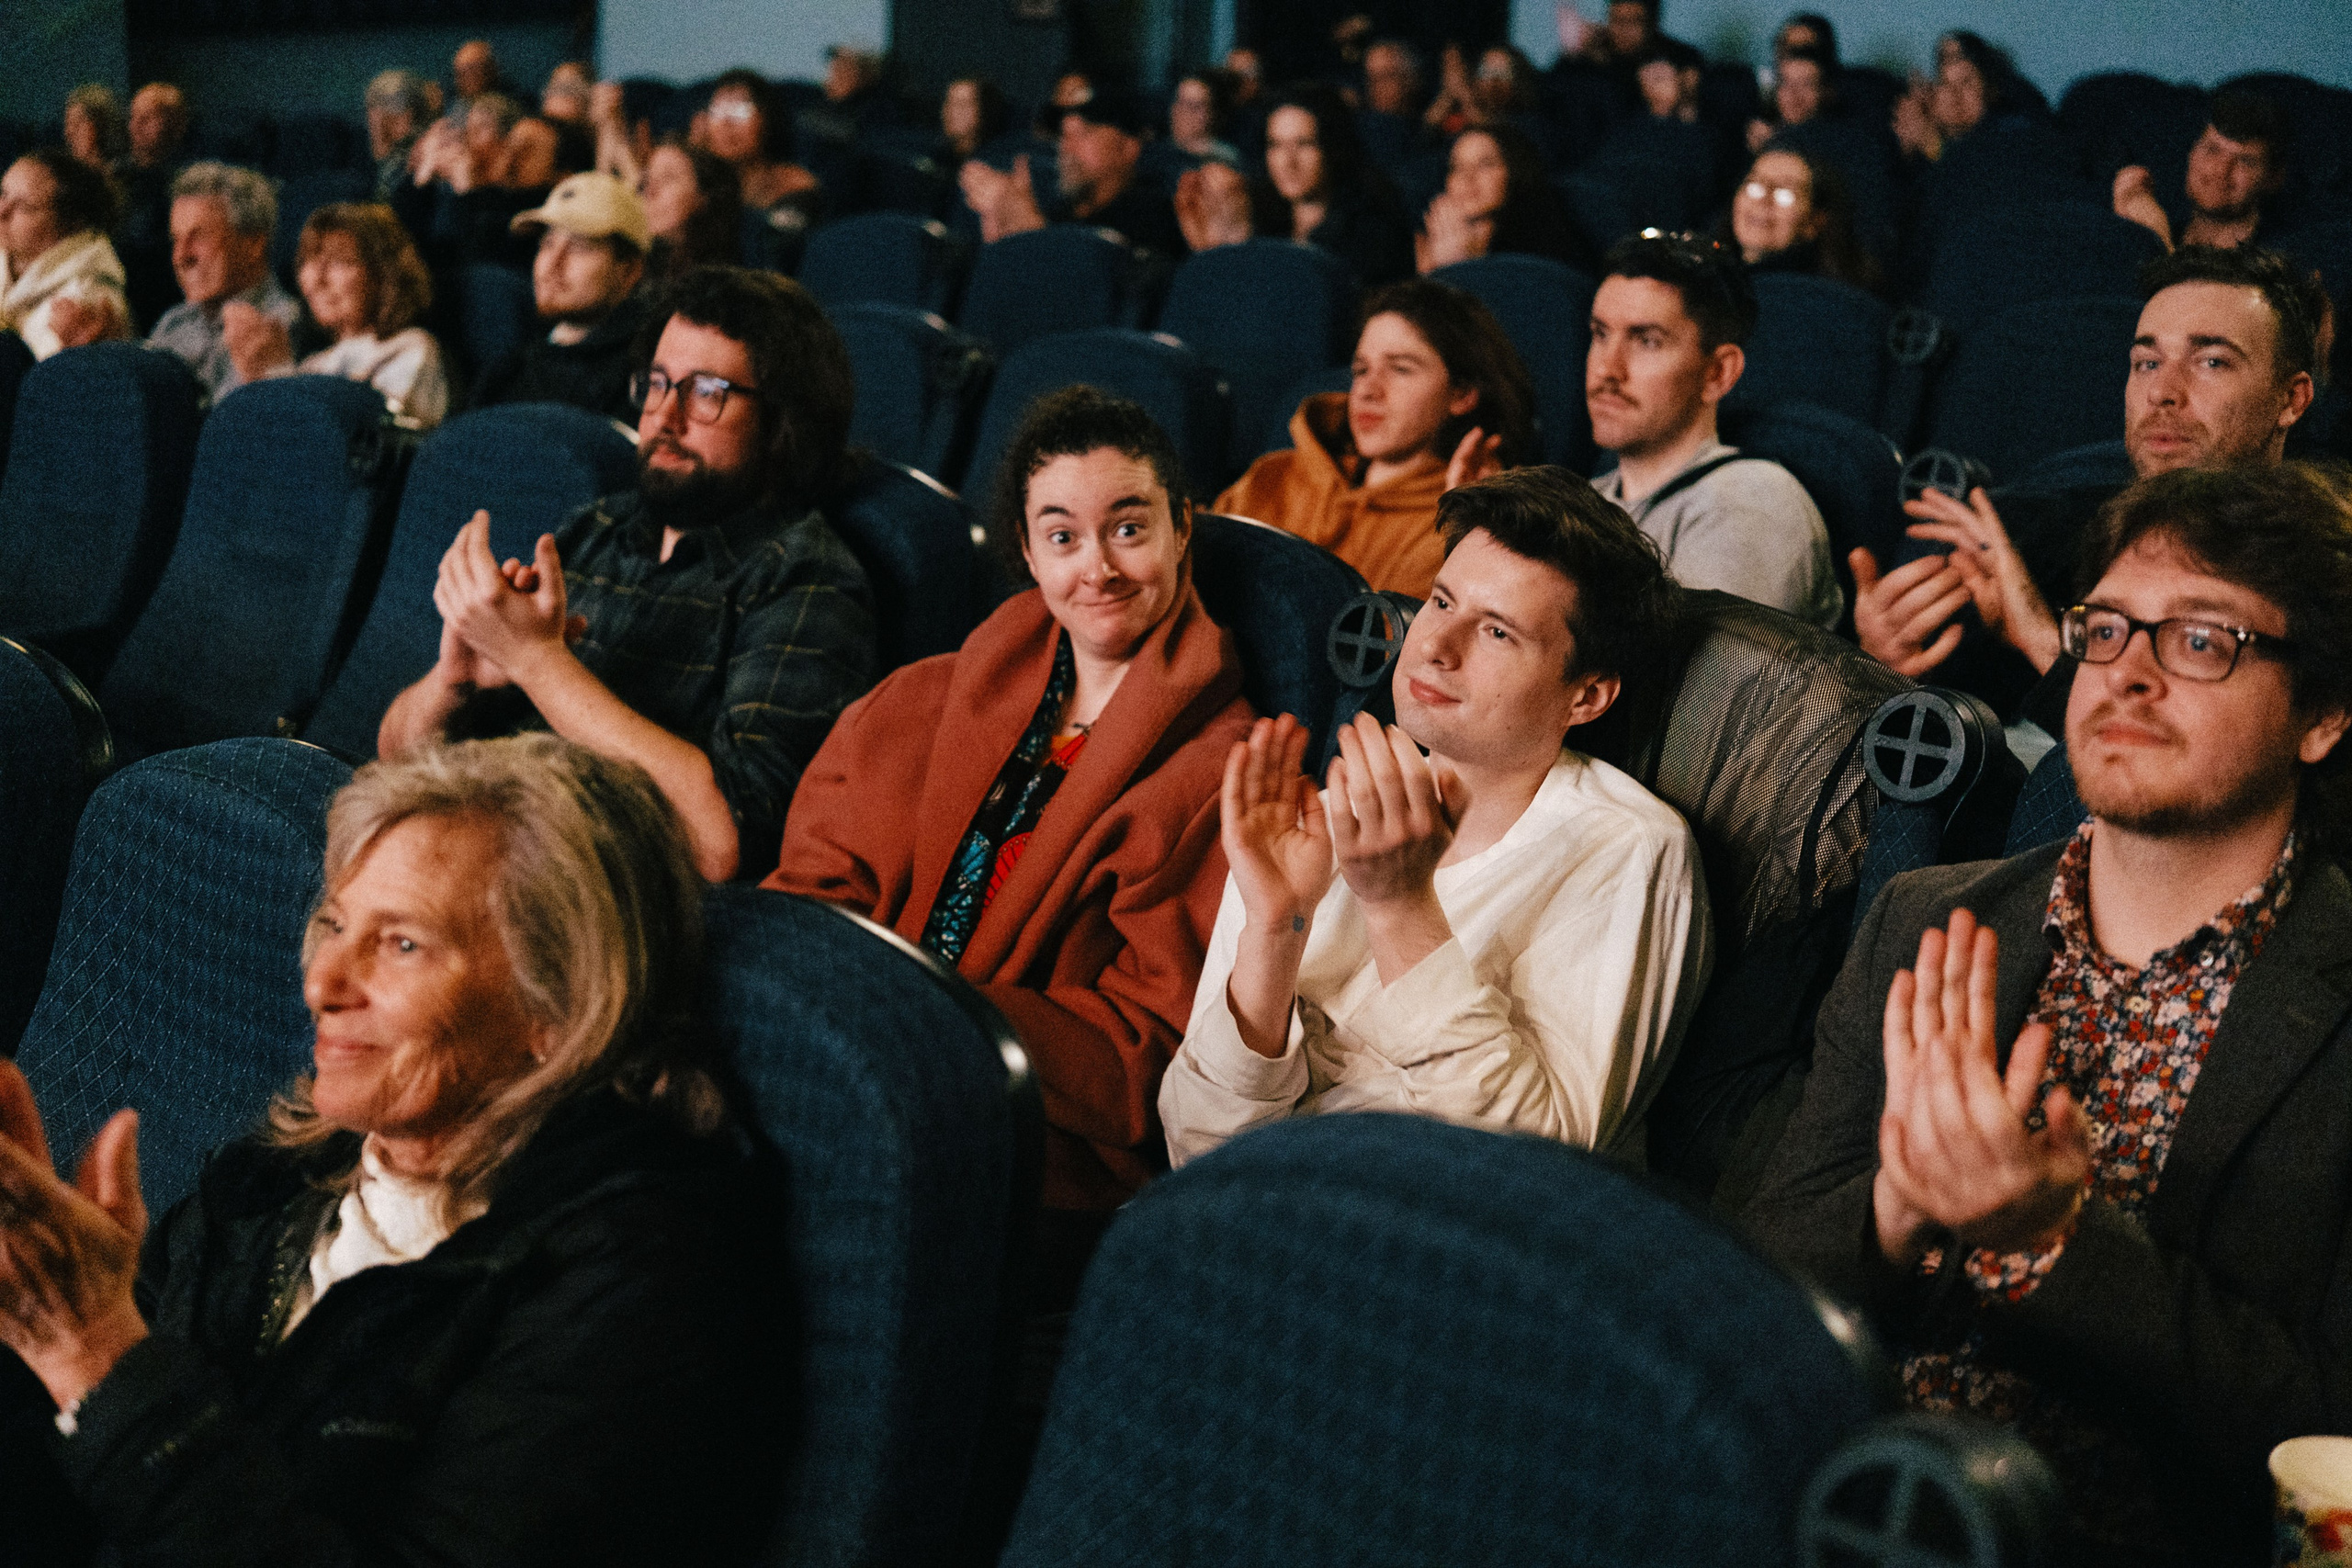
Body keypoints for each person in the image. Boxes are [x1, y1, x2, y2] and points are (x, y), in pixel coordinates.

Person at [1746, 461, 2352, 1565]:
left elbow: (2322, 1431)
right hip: (1839, 1502)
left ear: (2320, 717)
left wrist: (2052, 1245)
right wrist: (1896, 1203)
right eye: (2107, 631)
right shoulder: (1924, 917)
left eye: (2201, 640)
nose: (2126, 677)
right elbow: (1757, 1284)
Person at [0, 733, 782, 1568]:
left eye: (402, 944)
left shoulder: (635, 1278)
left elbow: (124, 1406)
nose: (322, 983)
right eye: (333, 923)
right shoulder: (276, 1183)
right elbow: (73, 1487)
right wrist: (34, 1326)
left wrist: (94, 1351)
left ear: (559, 1008)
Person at [766, 385, 1254, 1235]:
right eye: (1062, 536)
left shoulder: (1225, 772)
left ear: (1183, 525)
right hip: (845, 1071)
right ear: (1028, 553)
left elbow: (1148, 1045)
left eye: (1129, 528)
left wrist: (932, 1025)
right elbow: (809, 894)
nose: (1096, 567)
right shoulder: (919, 700)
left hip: (1028, 1143)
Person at [1161, 466, 1710, 1162]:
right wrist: (1276, 925)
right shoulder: (1321, 819)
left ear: (1587, 696)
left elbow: (1536, 1166)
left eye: (1498, 633)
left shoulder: (1629, 849)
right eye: (1441, 601)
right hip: (1254, 1220)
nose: (1434, 646)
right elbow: (1193, 1144)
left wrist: (1400, 907)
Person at [377, 266, 876, 884]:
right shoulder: (598, 527)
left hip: (593, 896)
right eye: (657, 384)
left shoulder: (807, 577)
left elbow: (726, 845)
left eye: (706, 392)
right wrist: (452, 682)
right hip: (483, 844)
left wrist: (538, 662)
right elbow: (393, 756)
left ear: (783, 423)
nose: (663, 416)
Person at [1851, 245, 2326, 712]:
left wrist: (2042, 640)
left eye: (2212, 362)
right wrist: (1888, 662)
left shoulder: (2322, 574)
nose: (2162, 392)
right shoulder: (2044, 533)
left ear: (2291, 400)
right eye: (2147, 363)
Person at [1216, 276, 1536, 595]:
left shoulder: (1457, 527)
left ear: (1462, 394)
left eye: (1400, 369)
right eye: (1361, 370)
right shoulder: (1271, 477)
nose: (1368, 390)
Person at [1587, 231, 1841, 626]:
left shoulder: (1751, 505)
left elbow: (1704, 687)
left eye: (1647, 341)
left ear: (1718, 373)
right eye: (1600, 334)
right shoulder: (1588, 498)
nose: (1607, 368)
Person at [222, 202, 449, 428]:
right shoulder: (315, 364)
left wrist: (278, 373)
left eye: (339, 261)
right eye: (308, 261)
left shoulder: (411, 349)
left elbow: (368, 445)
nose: (316, 280)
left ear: (383, 274)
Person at [1172, 82, 1413, 288]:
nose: (1287, 161)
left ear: (1333, 148)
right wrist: (1211, 257)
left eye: (1305, 143)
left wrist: (1240, 253)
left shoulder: (1373, 234)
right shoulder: (1258, 218)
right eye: (1275, 145)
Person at [472, 172, 651, 423]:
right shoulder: (512, 367)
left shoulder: (646, 377)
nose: (553, 264)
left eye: (579, 247)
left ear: (629, 271)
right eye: (547, 244)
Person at [959, 90, 1186, 256]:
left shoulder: (1154, 217)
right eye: (1064, 136)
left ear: (1129, 148)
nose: (1067, 149)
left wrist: (1032, 234)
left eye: (1084, 133)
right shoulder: (1061, 209)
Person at [145, 162, 300, 396]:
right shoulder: (173, 324)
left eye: (200, 237)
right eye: (176, 239)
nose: (181, 256)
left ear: (253, 245)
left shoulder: (285, 327)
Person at [2113, 88, 2289, 254]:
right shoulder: (2170, 229)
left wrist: (2154, 238)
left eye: (2245, 161)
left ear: (2274, 178)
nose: (2221, 170)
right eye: (2212, 150)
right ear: (2192, 152)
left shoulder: (2279, 261)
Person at [0, 149, 130, 359]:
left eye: (24, 207)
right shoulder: (8, 256)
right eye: (3, 194)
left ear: (69, 226)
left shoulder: (87, 301)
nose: (2, 211)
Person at [1415, 123, 1592, 276]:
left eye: (1485, 164)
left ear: (1515, 172)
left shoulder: (1545, 246)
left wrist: (1455, 267)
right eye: (1457, 167)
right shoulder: (1426, 244)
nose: (1467, 178)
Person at [1722, 144, 1881, 293]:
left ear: (1816, 221)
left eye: (1785, 194)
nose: (1763, 200)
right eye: (1754, 185)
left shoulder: (1824, 300)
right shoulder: (1710, 277)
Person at [699, 69, 820, 256]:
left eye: (741, 111)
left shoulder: (795, 185)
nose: (726, 123)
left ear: (767, 120)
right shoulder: (697, 183)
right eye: (718, 111)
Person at [639, 138, 742, 280]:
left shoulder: (729, 274)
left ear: (704, 197)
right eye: (647, 180)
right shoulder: (635, 266)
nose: (650, 191)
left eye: (668, 178)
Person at [365, 69, 434, 201]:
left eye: (380, 110)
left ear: (408, 115)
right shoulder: (379, 160)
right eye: (372, 109)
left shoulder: (418, 155)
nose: (373, 119)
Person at [938, 76, 1011, 164]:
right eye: (949, 102)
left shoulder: (999, 162)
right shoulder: (934, 158)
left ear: (984, 110)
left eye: (963, 104)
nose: (952, 111)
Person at [62, 85, 127, 172]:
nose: (69, 132)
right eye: (68, 124)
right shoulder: (66, 180)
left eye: (76, 124)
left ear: (99, 125)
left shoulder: (125, 178)